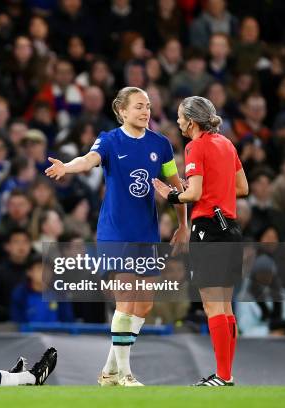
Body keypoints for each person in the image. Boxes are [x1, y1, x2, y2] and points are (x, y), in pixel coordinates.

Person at [45, 87, 188, 386]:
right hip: (115, 232)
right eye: (138, 106)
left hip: (146, 233)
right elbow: (88, 159)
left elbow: (177, 188)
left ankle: (109, 370)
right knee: (125, 300)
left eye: (148, 106)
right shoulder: (110, 140)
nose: (145, 111)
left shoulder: (160, 144)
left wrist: (182, 224)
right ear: (122, 111)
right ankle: (125, 374)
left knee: (144, 304)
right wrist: (67, 168)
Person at [153, 96, 248, 386]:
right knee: (226, 307)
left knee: (213, 307)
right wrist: (219, 194)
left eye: (181, 117)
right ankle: (226, 376)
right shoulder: (227, 144)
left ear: (192, 121)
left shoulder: (196, 146)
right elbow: (242, 187)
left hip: (208, 229)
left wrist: (169, 194)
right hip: (231, 227)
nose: (178, 121)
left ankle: (222, 376)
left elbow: (193, 193)